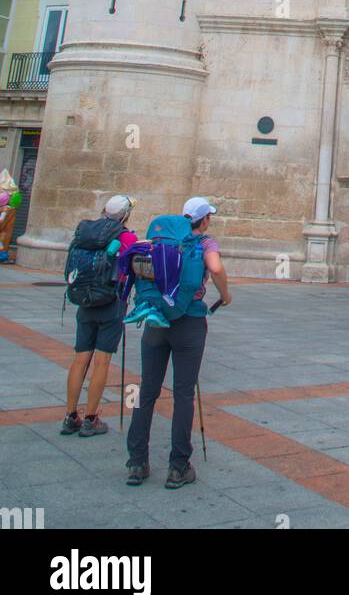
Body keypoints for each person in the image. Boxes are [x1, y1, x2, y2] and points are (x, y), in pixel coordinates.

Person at [125, 197, 231, 489]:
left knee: (147, 390)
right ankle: (178, 466)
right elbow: (217, 268)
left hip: (156, 321)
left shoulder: (159, 241)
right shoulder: (205, 243)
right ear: (204, 220)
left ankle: (136, 462)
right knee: (184, 393)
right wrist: (226, 293)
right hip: (190, 322)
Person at [61, 194, 138, 438]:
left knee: (80, 359)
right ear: (125, 215)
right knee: (102, 362)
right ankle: (91, 418)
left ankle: (70, 415)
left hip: (84, 301)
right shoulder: (126, 237)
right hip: (111, 304)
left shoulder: (86, 232)